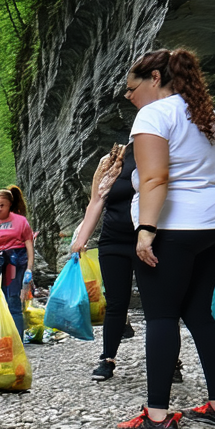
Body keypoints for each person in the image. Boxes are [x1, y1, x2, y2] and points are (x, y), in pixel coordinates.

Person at [114, 48, 215, 429]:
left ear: (155, 78)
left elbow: (156, 178)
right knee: (199, 312)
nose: (129, 96)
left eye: (132, 87)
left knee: (161, 315)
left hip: (175, 227)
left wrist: (146, 229)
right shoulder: (212, 118)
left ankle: (157, 415)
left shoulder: (154, 115)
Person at [70, 144, 153, 381]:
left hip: (147, 241)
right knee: (116, 304)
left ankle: (171, 361)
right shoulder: (113, 160)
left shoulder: (156, 154)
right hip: (113, 242)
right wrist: (81, 238)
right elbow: (96, 201)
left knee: (156, 306)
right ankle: (107, 359)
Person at [0, 185, 35, 337]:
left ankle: (17, 338)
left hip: (13, 261)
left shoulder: (21, 221)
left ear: (9, 205)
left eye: (1, 205)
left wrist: (29, 269)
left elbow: (29, 245)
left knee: (12, 299)